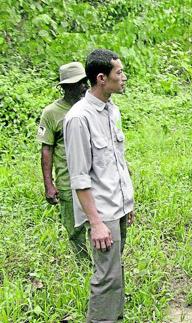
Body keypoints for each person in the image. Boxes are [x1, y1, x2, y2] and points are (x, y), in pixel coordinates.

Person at [64, 49, 135, 322]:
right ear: (101, 78)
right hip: (102, 213)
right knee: (106, 277)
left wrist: (127, 202)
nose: (124, 77)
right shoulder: (79, 118)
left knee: (115, 272)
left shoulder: (111, 110)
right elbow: (80, 178)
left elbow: (116, 162)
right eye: (120, 73)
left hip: (117, 207)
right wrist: (96, 223)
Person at [38, 62, 90, 261]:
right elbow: (46, 149)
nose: (83, 87)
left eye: (84, 82)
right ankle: (84, 265)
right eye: (78, 84)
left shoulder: (91, 106)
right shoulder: (51, 113)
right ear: (66, 87)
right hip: (68, 181)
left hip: (92, 176)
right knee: (75, 228)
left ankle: (101, 268)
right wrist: (48, 184)